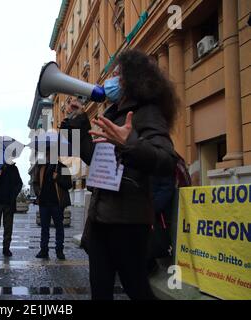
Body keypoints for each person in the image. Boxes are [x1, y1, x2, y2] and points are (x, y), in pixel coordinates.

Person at [62, 49, 178, 300]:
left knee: (136, 288)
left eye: (117, 74)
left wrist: (131, 143)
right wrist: (81, 120)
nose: (111, 78)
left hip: (128, 222)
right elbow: (94, 158)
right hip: (101, 219)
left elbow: (167, 160)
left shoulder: (147, 113)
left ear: (133, 79)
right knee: (100, 289)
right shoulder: (111, 113)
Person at [32, 147, 72, 260]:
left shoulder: (63, 167)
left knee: (59, 227)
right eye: (48, 154)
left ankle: (59, 251)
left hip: (57, 204)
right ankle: (44, 250)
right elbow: (35, 182)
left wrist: (58, 177)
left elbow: (69, 184)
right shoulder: (41, 167)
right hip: (44, 203)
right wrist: (38, 193)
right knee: (44, 228)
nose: (49, 156)